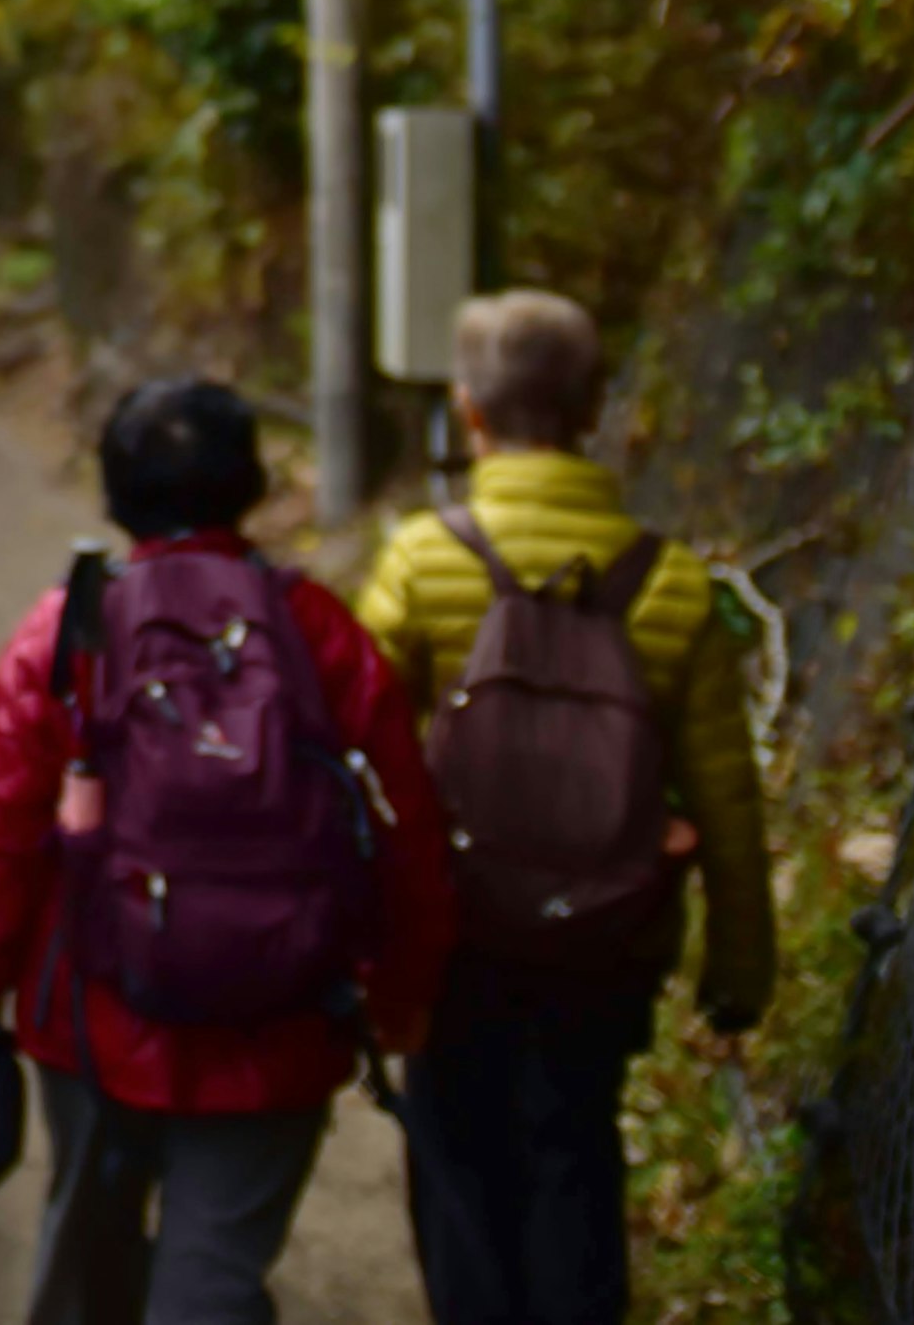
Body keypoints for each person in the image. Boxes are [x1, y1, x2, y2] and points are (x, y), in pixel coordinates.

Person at [0, 377, 455, 1325]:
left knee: (88, 1244)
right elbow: (403, 821)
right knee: (214, 1273)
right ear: (251, 484)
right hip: (282, 1015)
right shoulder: (316, 630)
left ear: (115, 490)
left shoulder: (68, 633)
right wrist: (402, 993)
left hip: (94, 1009)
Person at [354, 291, 775, 1325]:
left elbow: (356, 743)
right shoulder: (672, 584)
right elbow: (727, 795)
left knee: (455, 1155)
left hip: (458, 930)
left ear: (469, 409)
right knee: (575, 1146)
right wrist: (739, 965)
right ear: (595, 410)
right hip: (605, 938)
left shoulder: (423, 557)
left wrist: (361, 932)